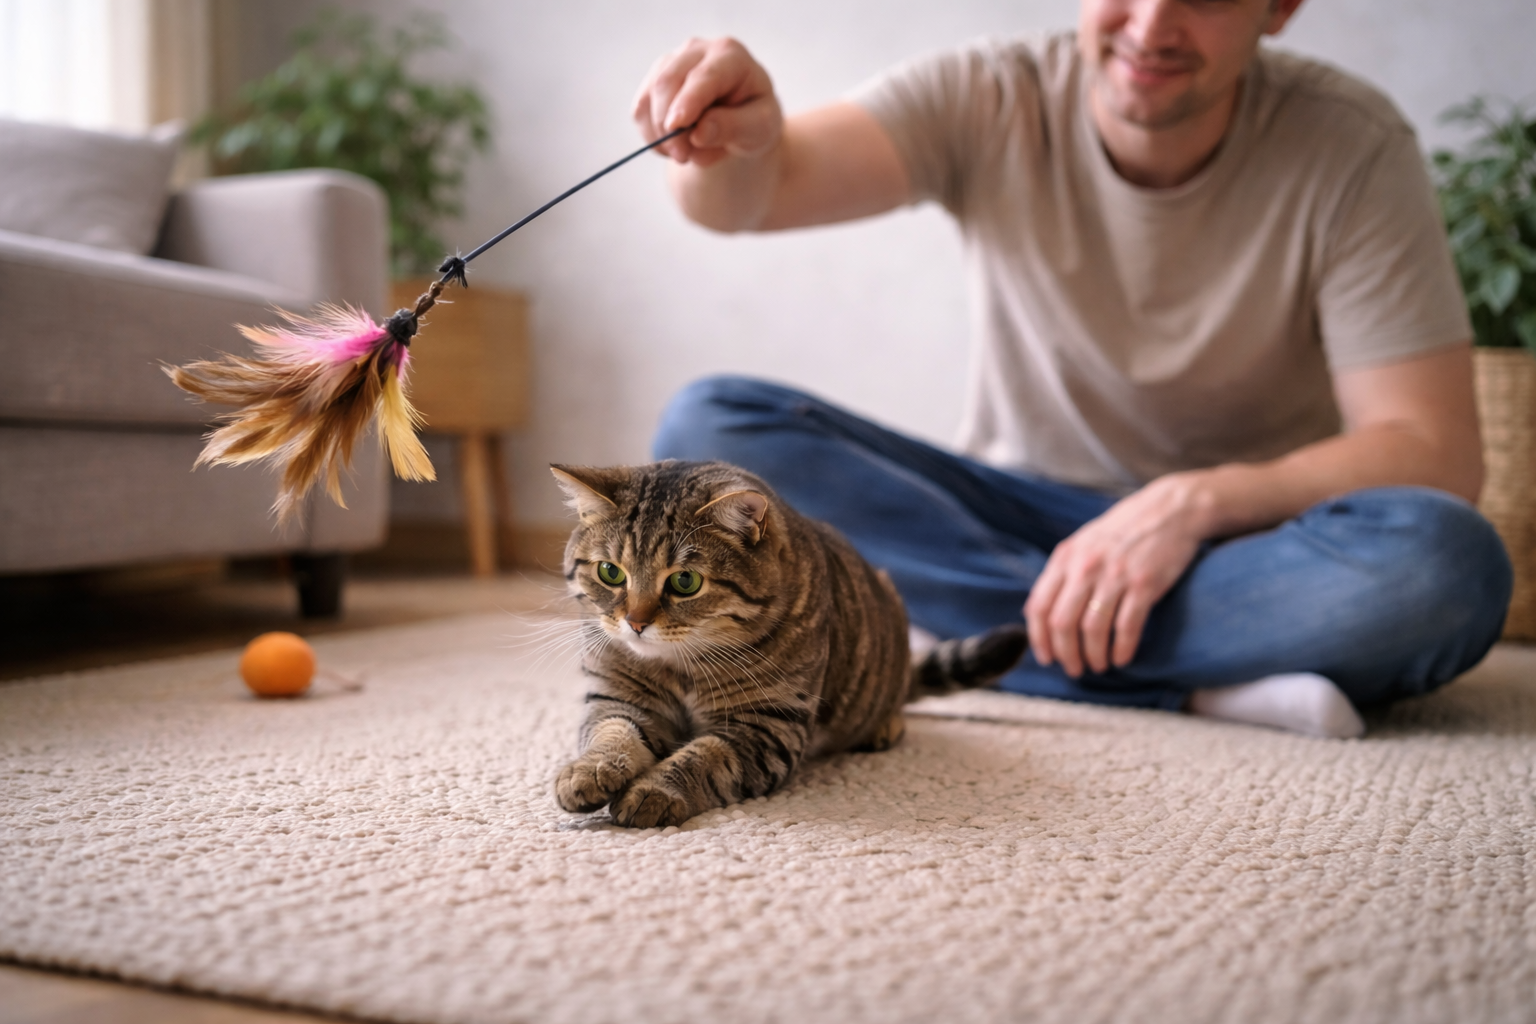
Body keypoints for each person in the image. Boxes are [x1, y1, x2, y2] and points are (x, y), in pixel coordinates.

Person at [634, 0, 1512, 738]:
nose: (1152, 25)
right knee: (708, 431)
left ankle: (967, 639)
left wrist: (1190, 501)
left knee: (1448, 565)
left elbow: (1432, 449)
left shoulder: (1353, 146)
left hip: (1239, 549)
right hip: (1000, 516)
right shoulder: (989, 92)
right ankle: (1194, 681)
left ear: (1279, 7)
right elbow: (755, 194)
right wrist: (724, 140)